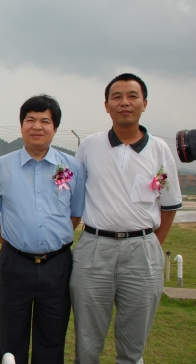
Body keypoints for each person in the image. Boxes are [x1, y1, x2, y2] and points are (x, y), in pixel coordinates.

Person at [70, 73, 182, 364]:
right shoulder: (90, 147)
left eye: (132, 96)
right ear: (106, 106)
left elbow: (169, 205)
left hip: (142, 251)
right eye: (116, 97)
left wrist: (153, 244)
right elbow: (73, 194)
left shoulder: (159, 150)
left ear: (144, 103)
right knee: (87, 342)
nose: (124, 103)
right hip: (94, 247)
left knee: (133, 346)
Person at [0, 94, 85, 364]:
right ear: (21, 125)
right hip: (14, 265)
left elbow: (75, 214)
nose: (37, 126)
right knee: (10, 339)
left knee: (52, 338)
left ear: (55, 128)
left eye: (45, 121)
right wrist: (14, 243)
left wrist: (51, 243)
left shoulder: (73, 167)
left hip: (57, 266)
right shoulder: (1, 167)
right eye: (30, 119)